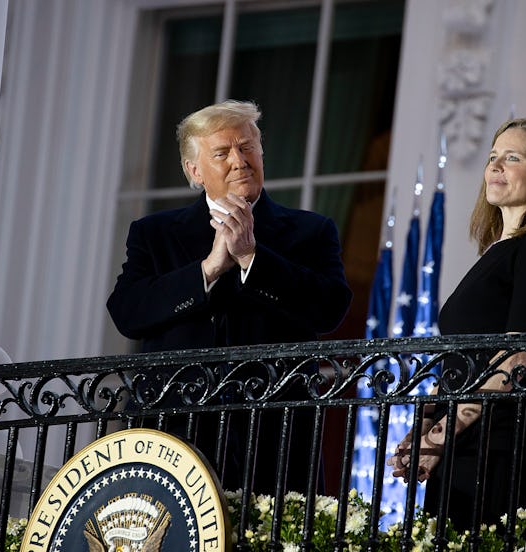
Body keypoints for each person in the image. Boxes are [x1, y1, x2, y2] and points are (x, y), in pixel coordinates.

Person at [107, 100, 352, 493]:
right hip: (175, 435)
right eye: (222, 152)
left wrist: (252, 257)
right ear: (195, 170)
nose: (239, 161)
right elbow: (127, 312)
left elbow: (329, 310)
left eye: (247, 147)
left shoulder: (312, 231)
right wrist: (208, 269)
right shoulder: (155, 233)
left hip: (277, 435)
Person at [387, 118, 526, 529]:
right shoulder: (499, 250)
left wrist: (438, 438)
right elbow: (459, 359)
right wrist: (421, 430)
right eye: (493, 157)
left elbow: (516, 359)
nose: (495, 167)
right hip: (460, 438)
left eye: (512, 158)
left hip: (493, 441)